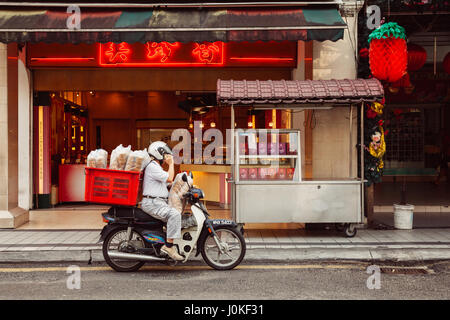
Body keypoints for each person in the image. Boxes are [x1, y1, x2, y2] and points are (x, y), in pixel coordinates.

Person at [140, 141, 184, 261]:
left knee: (175, 213)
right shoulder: (152, 167)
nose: (166, 157)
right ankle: (169, 247)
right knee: (174, 215)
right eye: (165, 154)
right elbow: (169, 178)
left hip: (156, 202)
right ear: (158, 153)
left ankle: (164, 242)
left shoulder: (155, 167)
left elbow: (167, 184)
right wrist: (171, 164)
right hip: (153, 203)